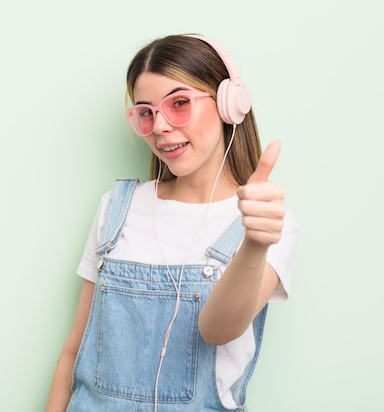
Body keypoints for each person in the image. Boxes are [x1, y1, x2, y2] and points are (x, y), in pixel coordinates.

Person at [45, 33, 299, 412]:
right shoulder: (117, 208)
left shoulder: (268, 222)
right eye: (146, 112)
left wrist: (256, 241)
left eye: (179, 103)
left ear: (230, 105)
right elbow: (72, 353)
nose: (160, 126)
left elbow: (218, 330)